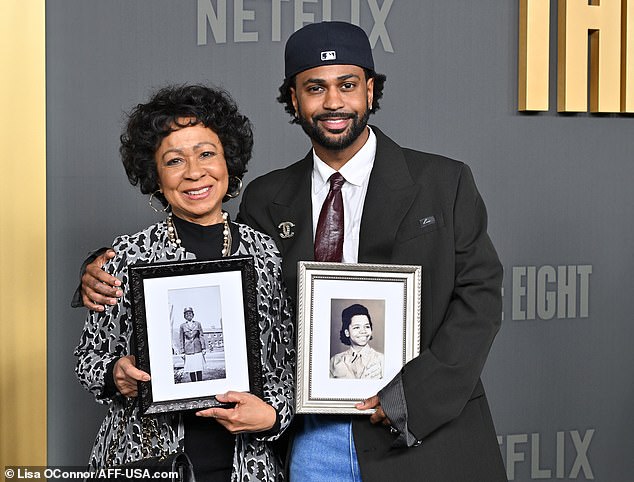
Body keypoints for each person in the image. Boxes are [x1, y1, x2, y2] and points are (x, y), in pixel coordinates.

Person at [77, 21, 505, 482]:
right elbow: (212, 273)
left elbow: (478, 299)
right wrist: (101, 266)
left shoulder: (443, 182)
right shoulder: (266, 196)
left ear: (370, 90)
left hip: (422, 434)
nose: (334, 102)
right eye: (315, 89)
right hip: (308, 439)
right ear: (294, 100)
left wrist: (411, 400)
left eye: (348, 85)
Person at [74, 84, 294, 482]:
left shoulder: (265, 254)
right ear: (156, 177)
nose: (194, 172)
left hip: (247, 464)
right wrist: (115, 374)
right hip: (145, 458)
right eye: (174, 161)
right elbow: (89, 360)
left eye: (207, 153)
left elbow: (285, 367)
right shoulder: (127, 256)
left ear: (229, 161)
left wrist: (273, 416)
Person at [330, 303, 384, 379]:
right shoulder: (335, 361)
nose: (363, 331)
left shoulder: (382, 360)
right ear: (347, 332)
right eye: (357, 327)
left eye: (367, 326)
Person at [179, 307, 206, 382]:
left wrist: (203, 348)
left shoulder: (198, 324)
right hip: (188, 350)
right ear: (184, 316)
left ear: (193, 315)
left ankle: (200, 383)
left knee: (199, 368)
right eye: (186, 314)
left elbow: (201, 336)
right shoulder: (182, 326)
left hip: (198, 349)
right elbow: (181, 339)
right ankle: (193, 384)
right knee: (191, 369)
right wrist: (182, 351)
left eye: (190, 313)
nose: (188, 315)